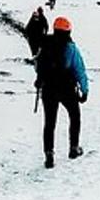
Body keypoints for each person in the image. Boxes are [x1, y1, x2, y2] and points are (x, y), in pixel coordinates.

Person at [35, 17, 89, 169]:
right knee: (75, 116)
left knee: (49, 122)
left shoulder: (45, 44)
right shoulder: (71, 48)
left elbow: (38, 66)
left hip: (48, 88)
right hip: (66, 87)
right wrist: (84, 90)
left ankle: (49, 154)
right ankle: (74, 148)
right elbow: (79, 70)